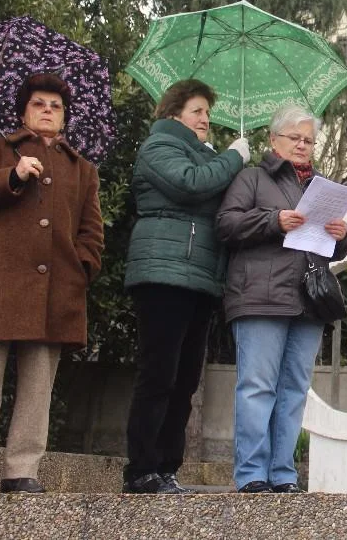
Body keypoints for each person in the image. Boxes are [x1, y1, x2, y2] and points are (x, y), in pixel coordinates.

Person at [0, 74, 104, 494]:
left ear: (64, 117)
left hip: (57, 292)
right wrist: (11, 176)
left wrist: (82, 268)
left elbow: (92, 231)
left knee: (37, 390)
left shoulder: (82, 169)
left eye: (55, 106)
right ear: (22, 111)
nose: (48, 110)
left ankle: (22, 470)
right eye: (39, 103)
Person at [122, 79, 250, 494]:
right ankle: (141, 469)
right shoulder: (158, 147)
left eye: (208, 113)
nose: (205, 119)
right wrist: (233, 157)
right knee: (159, 372)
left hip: (201, 275)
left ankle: (166, 467)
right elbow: (190, 183)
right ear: (174, 113)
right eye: (197, 111)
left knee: (185, 379)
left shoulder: (206, 156)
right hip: (163, 272)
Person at [217, 104, 347, 493]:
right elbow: (225, 224)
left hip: (309, 301)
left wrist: (343, 235)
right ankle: (251, 475)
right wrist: (273, 220)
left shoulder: (322, 187)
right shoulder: (251, 178)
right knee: (257, 386)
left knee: (294, 390)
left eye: (309, 140)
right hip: (259, 297)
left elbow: (332, 248)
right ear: (273, 139)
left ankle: (283, 474)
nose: (303, 145)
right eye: (295, 137)